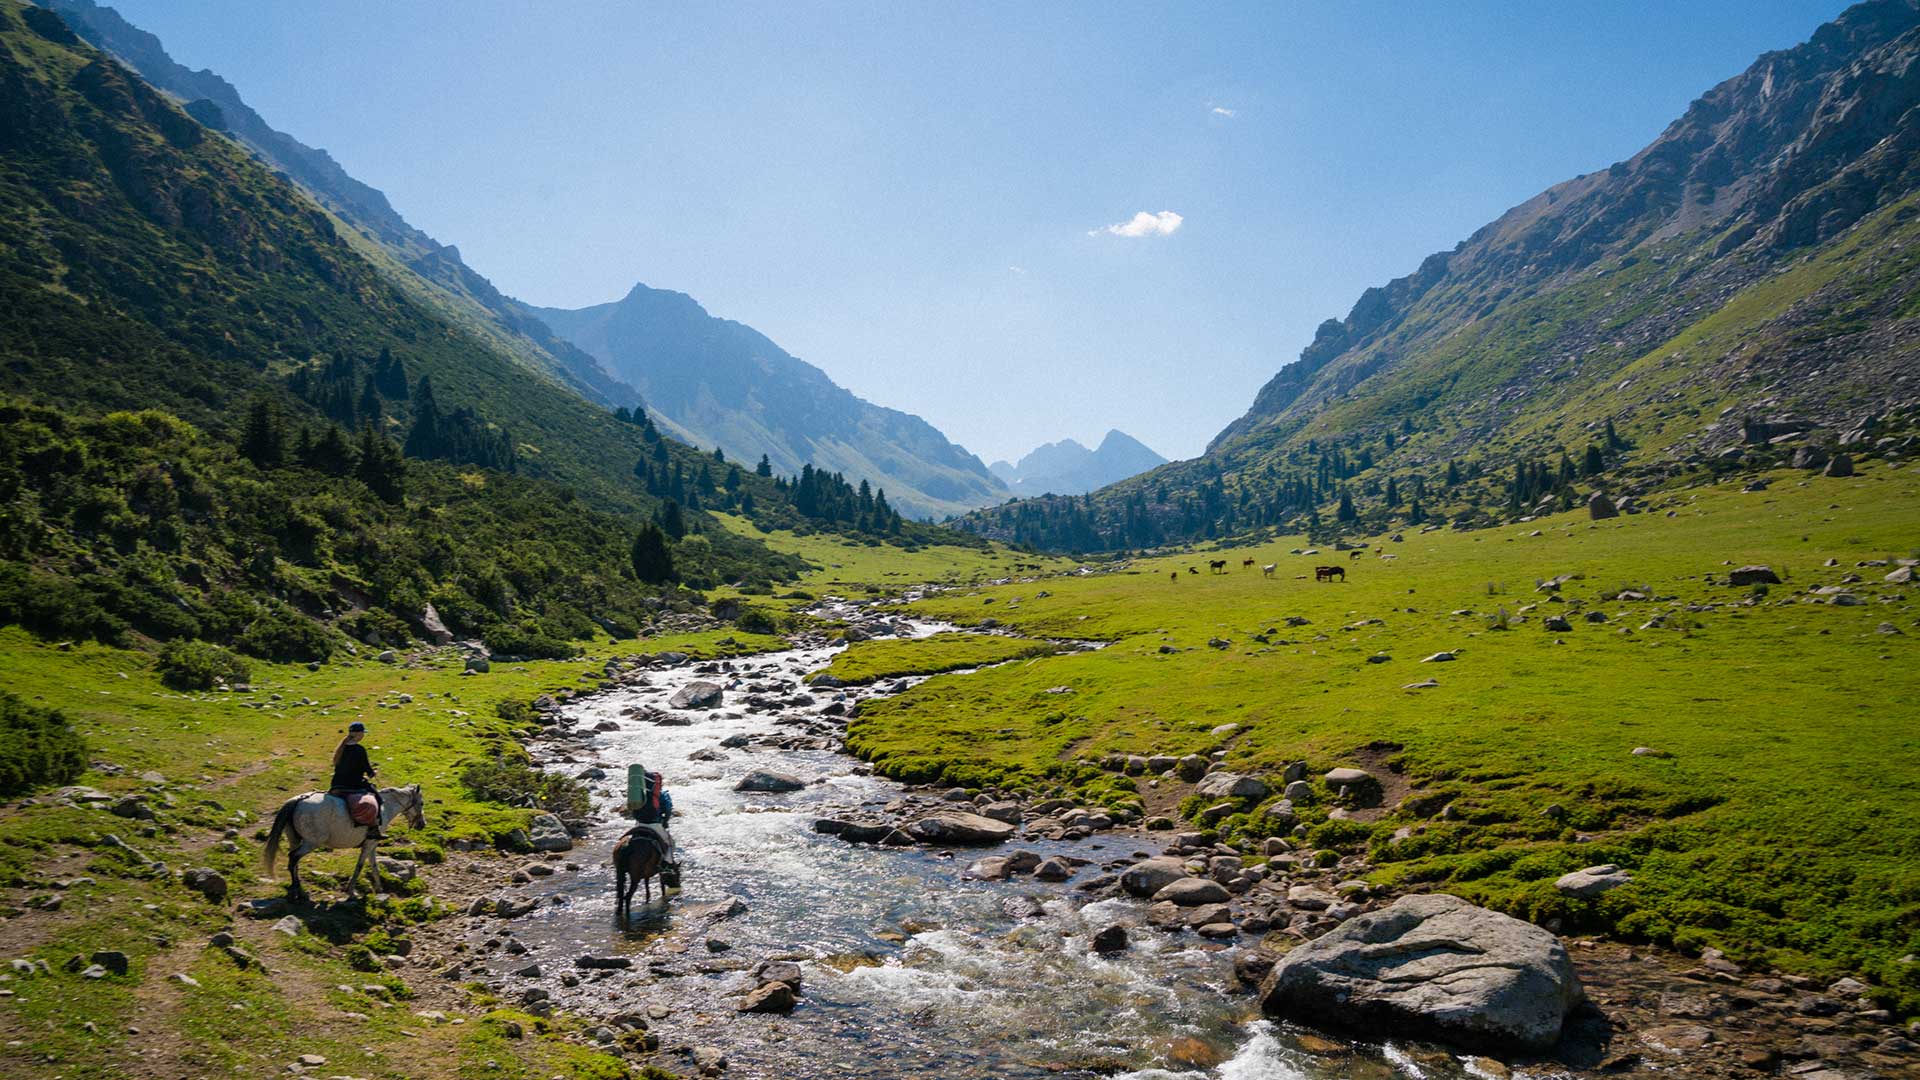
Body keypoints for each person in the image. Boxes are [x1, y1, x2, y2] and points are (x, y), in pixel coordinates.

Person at [330, 721, 384, 840]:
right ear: (359, 734)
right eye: (363, 733)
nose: (363, 735)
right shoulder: (359, 749)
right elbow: (366, 768)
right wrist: (372, 773)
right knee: (378, 798)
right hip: (353, 784)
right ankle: (373, 829)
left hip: (336, 784)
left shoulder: (341, 748)